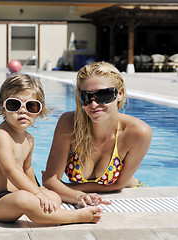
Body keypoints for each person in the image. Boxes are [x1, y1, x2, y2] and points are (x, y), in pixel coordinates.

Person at [0, 74, 110, 225]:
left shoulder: (29, 139)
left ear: (39, 110)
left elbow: (27, 170)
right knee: (25, 199)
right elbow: (10, 170)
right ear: (2, 108)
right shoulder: (1, 136)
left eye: (31, 106)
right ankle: (75, 217)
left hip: (14, 196)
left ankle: (50, 212)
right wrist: (36, 193)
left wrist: (40, 191)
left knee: (54, 196)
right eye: (14, 105)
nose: (22, 111)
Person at [42, 62, 152, 206]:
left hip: (130, 198)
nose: (93, 104)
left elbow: (118, 185)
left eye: (103, 95)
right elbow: (50, 180)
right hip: (85, 201)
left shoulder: (138, 132)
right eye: (86, 97)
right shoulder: (69, 123)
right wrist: (77, 195)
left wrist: (66, 188)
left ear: (119, 94)